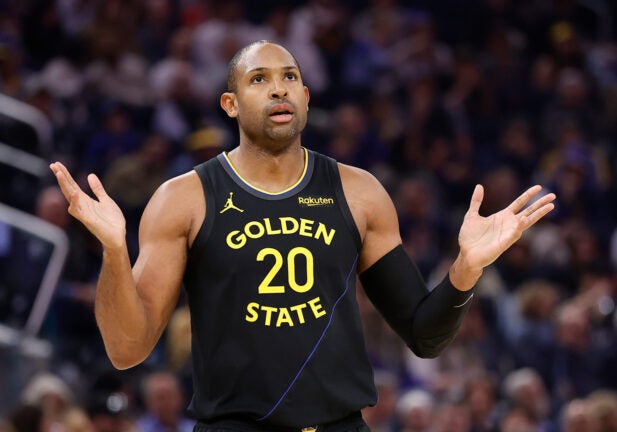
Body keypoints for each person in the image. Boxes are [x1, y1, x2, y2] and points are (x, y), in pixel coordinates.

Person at [49, 40, 556, 431]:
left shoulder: (359, 192)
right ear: (230, 103)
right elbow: (127, 349)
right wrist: (114, 252)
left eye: (290, 77)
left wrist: (467, 269)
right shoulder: (184, 199)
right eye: (259, 78)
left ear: (307, 97)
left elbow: (424, 335)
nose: (279, 88)